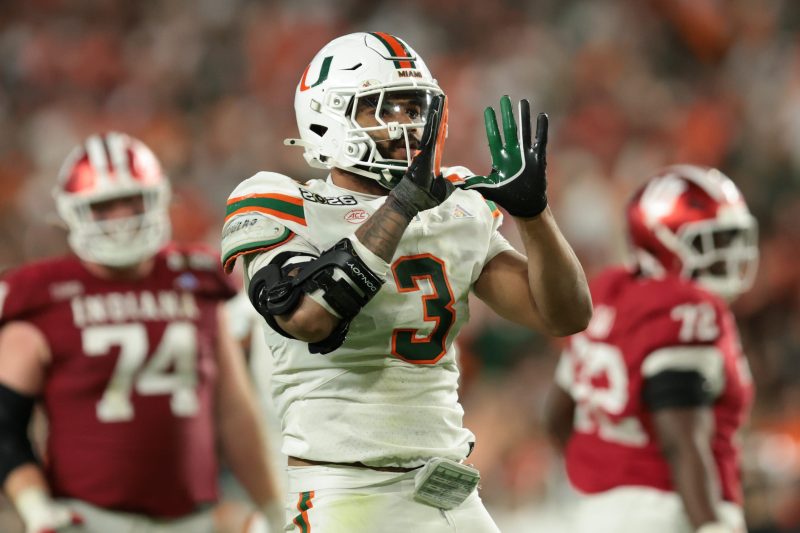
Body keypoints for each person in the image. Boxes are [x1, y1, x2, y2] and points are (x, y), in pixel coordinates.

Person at [221, 31, 592, 532]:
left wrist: (535, 216)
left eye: (415, 108)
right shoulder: (284, 201)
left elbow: (565, 315)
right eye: (383, 109)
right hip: (347, 492)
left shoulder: (456, 204)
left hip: (451, 491)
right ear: (327, 115)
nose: (408, 124)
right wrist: (401, 206)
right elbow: (306, 317)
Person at [0, 132, 284, 533]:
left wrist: (274, 509)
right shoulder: (42, 294)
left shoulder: (199, 278)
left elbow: (235, 413)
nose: (122, 217)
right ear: (72, 212)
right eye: (104, 206)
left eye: (132, 201)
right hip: (87, 520)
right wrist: (35, 505)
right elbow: (4, 423)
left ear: (159, 198)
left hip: (194, 517)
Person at [543, 165, 759, 533]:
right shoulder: (685, 308)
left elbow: (557, 416)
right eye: (712, 242)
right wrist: (711, 525)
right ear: (661, 241)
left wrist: (609, 468)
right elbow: (682, 441)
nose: (729, 255)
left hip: (595, 513)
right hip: (672, 512)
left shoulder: (608, 293)